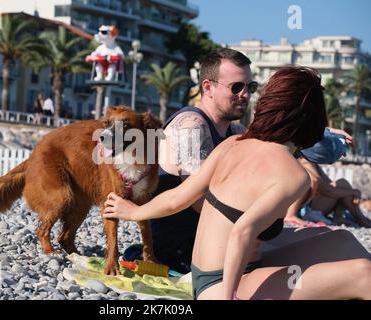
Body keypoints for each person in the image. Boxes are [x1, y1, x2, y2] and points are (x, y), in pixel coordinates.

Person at [104, 66, 371, 300]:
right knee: (363, 274)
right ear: (311, 120)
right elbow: (242, 232)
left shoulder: (234, 143)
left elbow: (178, 198)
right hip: (225, 285)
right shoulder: (294, 175)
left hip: (219, 270)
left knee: (344, 240)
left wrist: (135, 211)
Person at [144, 48, 351, 274]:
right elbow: (200, 203)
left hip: (222, 239)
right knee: (321, 255)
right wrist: (256, 229)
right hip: (186, 252)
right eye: (236, 87)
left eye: (250, 87)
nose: (245, 94)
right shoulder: (191, 126)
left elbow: (279, 138)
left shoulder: (235, 130)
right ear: (207, 87)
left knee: (328, 238)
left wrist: (320, 132)